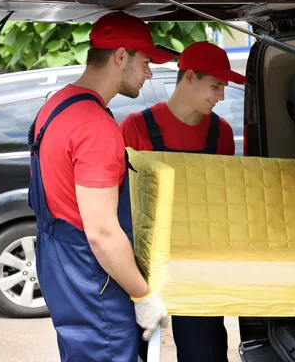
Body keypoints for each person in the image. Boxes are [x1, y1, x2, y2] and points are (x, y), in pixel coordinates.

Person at [27, 12, 175, 362]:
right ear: (120, 56)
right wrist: (143, 296)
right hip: (92, 277)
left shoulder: (56, 104)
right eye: (146, 62)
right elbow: (102, 233)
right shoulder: (96, 126)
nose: (149, 73)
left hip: (58, 262)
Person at [120, 41, 246, 362]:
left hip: (197, 263)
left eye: (223, 88)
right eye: (216, 86)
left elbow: (221, 201)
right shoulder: (136, 128)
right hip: (142, 263)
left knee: (204, 352)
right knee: (133, 350)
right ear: (189, 77)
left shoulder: (221, 133)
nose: (220, 96)